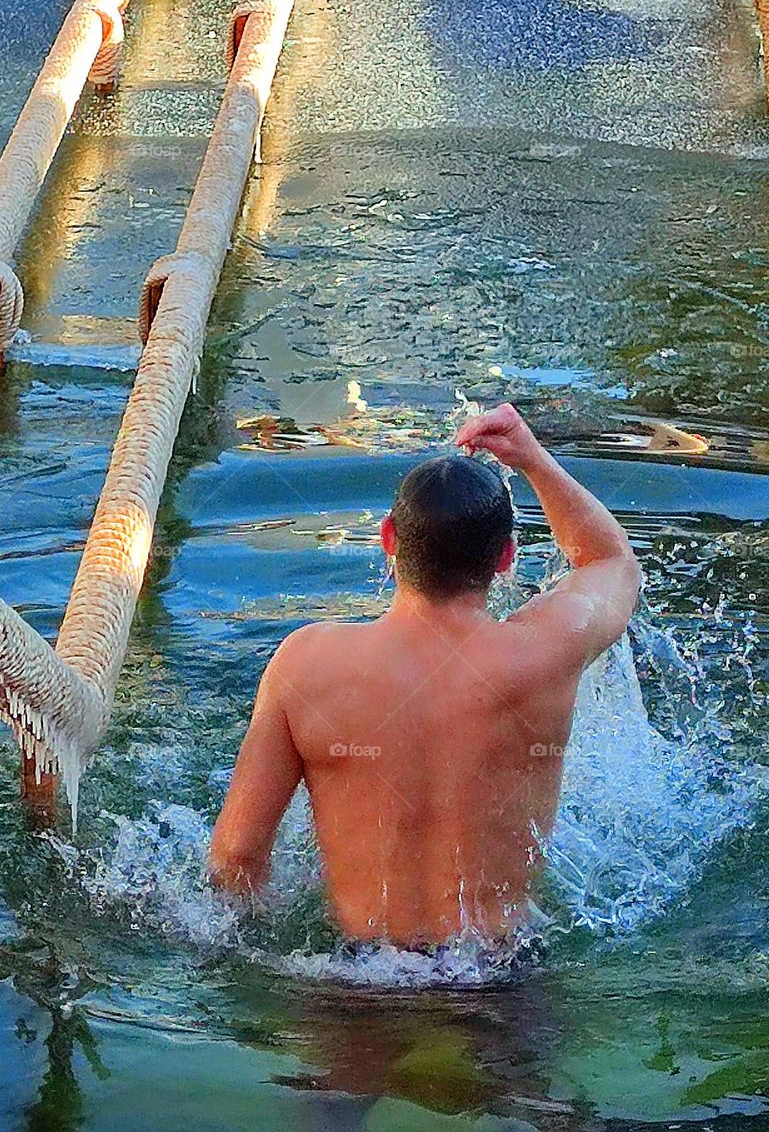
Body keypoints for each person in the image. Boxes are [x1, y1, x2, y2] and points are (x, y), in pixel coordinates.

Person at [209, 404, 641, 948]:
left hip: (356, 983)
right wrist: (531, 458)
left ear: (388, 539)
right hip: (498, 980)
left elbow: (236, 858)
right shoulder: (544, 651)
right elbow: (610, 560)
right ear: (506, 557)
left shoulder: (306, 664)